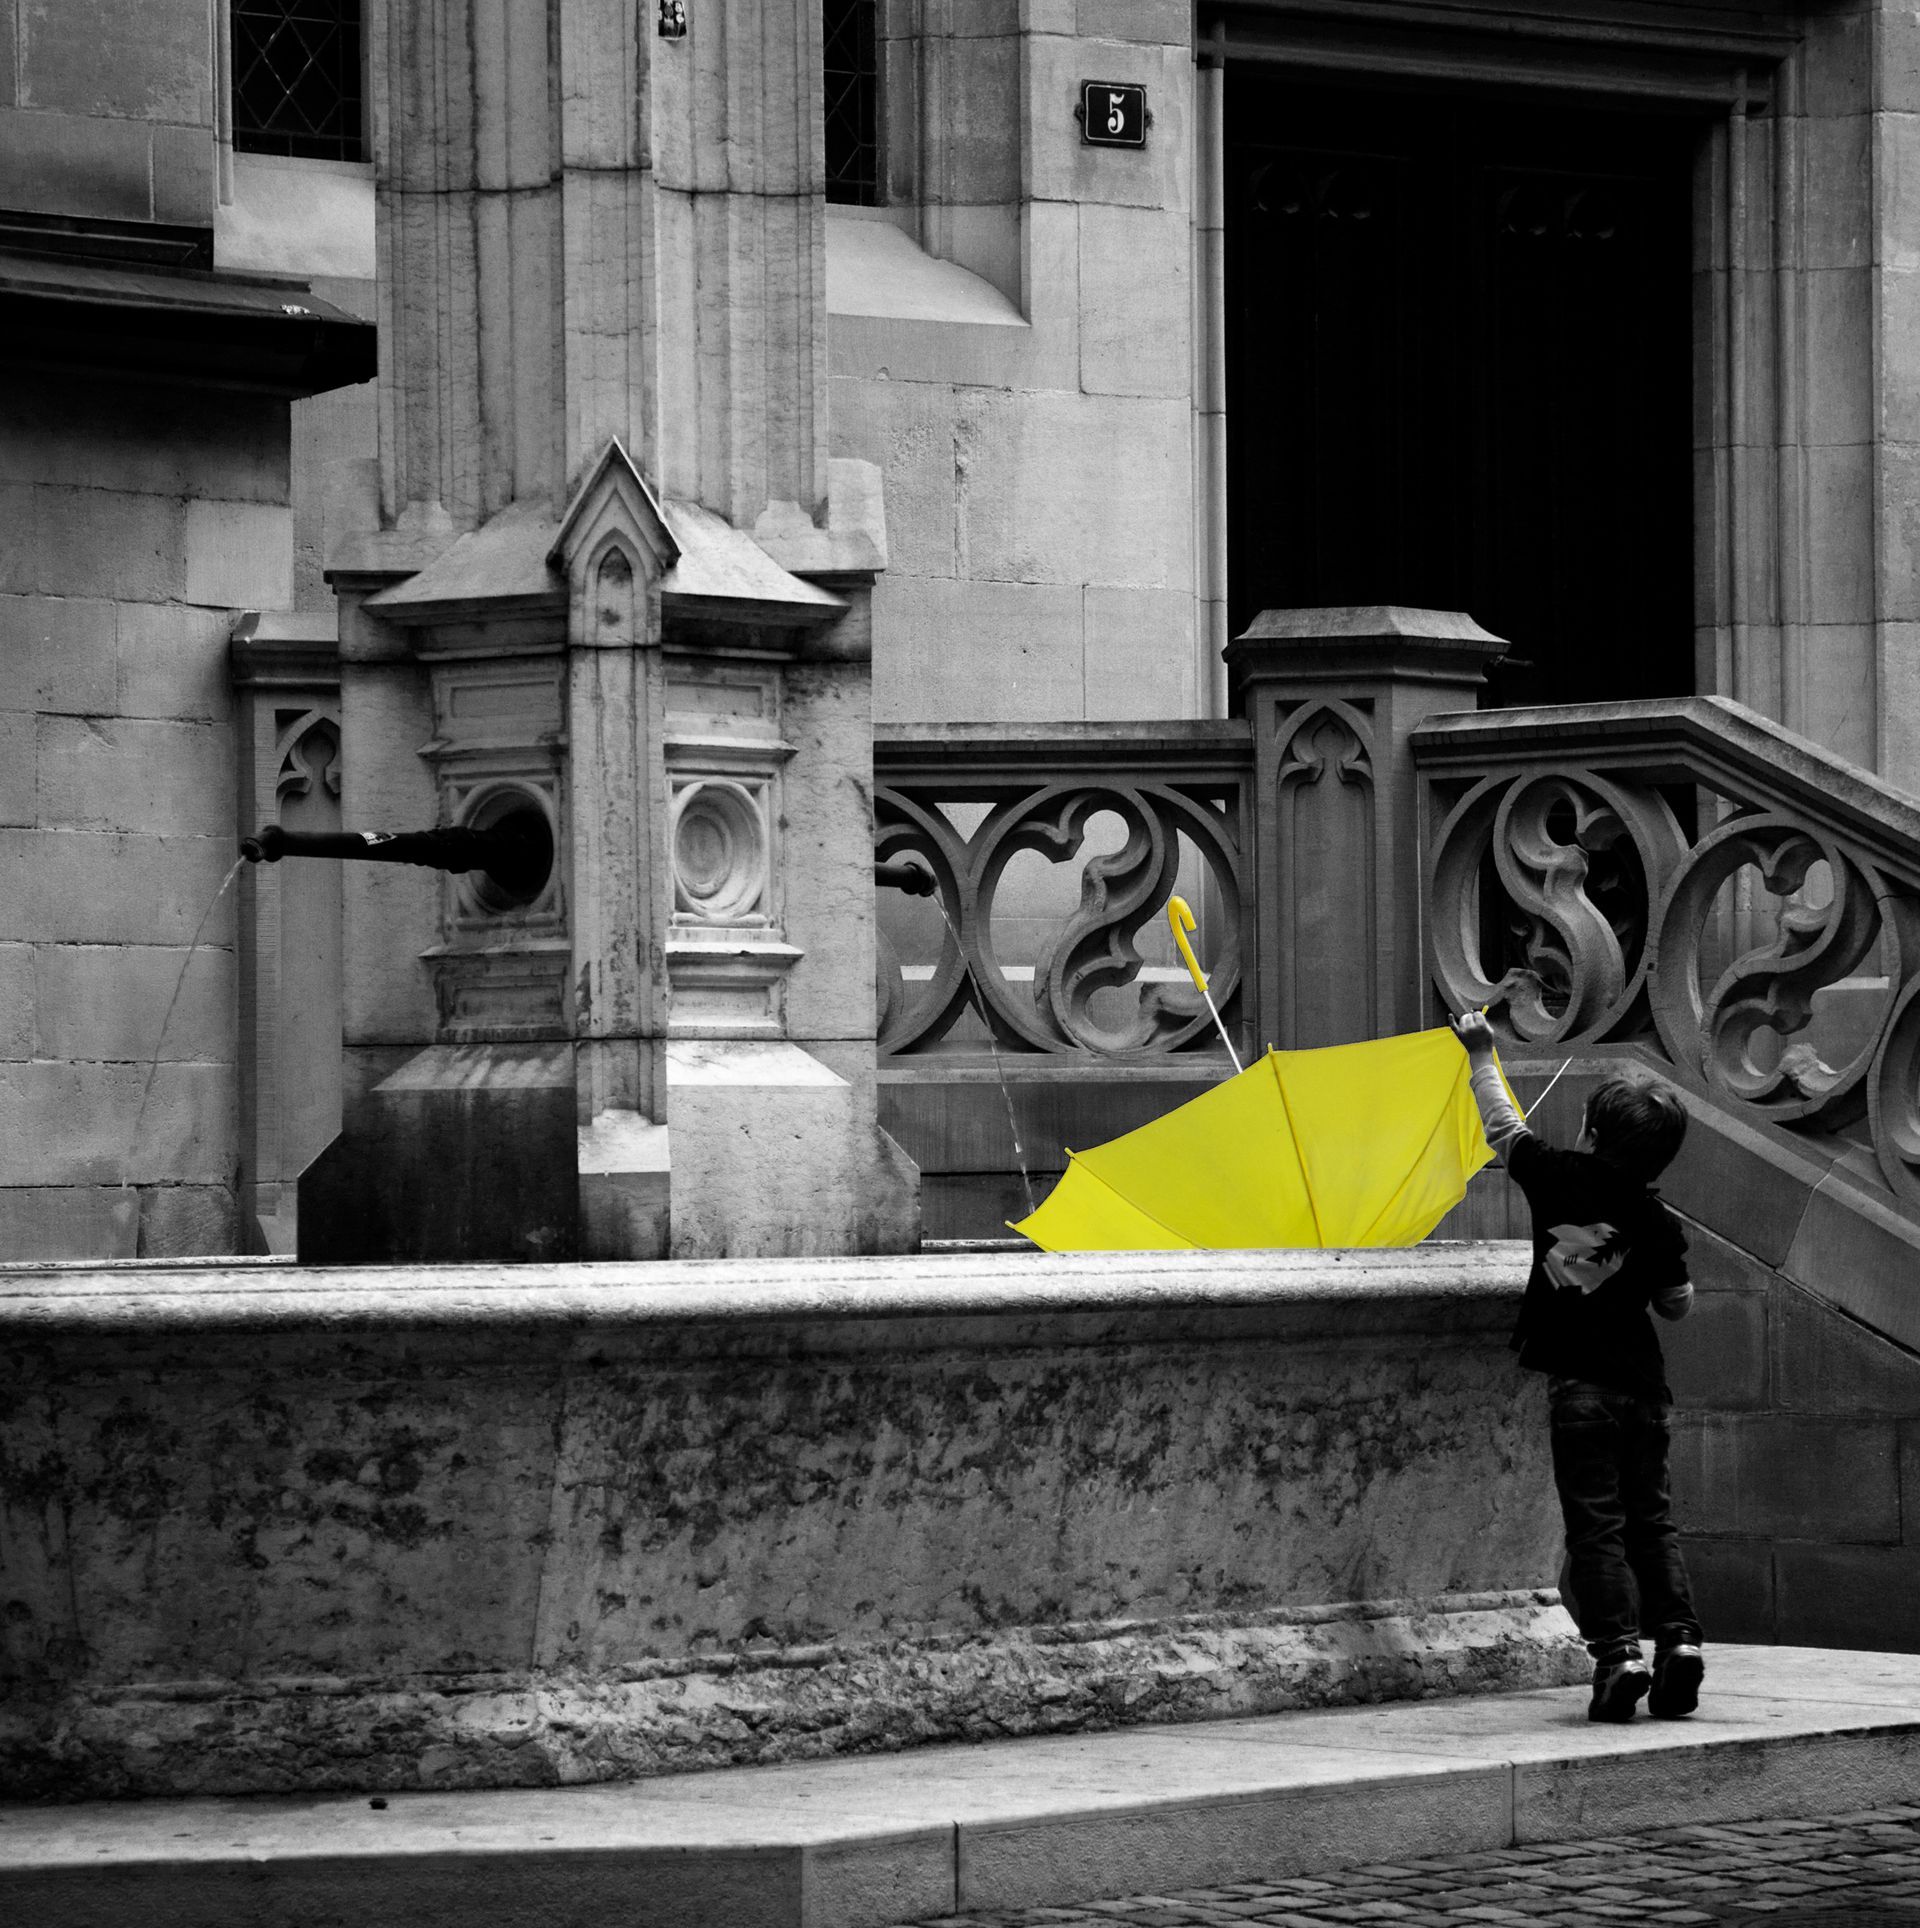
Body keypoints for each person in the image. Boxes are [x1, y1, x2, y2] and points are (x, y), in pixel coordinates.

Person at [1453, 1011, 1704, 1724]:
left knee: (1595, 1528)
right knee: (1652, 1522)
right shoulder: (1658, 1222)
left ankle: (1618, 1657)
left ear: (1592, 1133)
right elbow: (1677, 1305)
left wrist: (1481, 1052)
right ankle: (1679, 1645)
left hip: (1581, 1392)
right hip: (1645, 1391)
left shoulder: (1560, 1177)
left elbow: (1502, 1127)